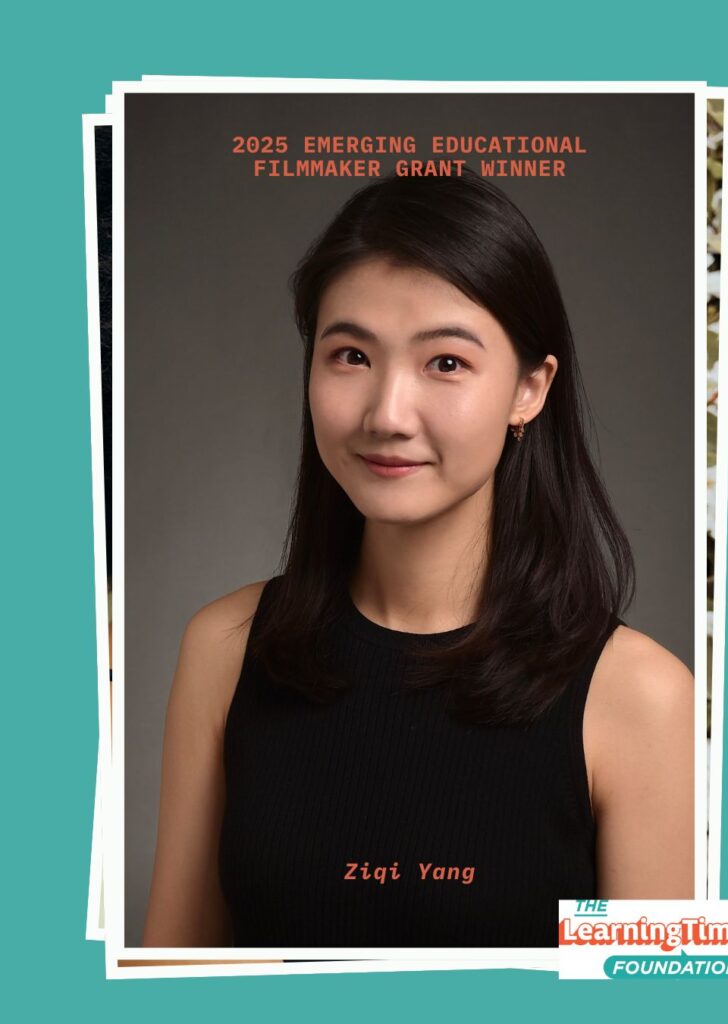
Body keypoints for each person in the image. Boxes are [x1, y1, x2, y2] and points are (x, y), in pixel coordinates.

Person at [141, 169, 694, 949]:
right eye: (350, 356)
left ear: (529, 389)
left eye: (445, 364)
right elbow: (170, 975)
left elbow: (661, 1001)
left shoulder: (642, 698)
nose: (386, 415)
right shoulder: (224, 648)